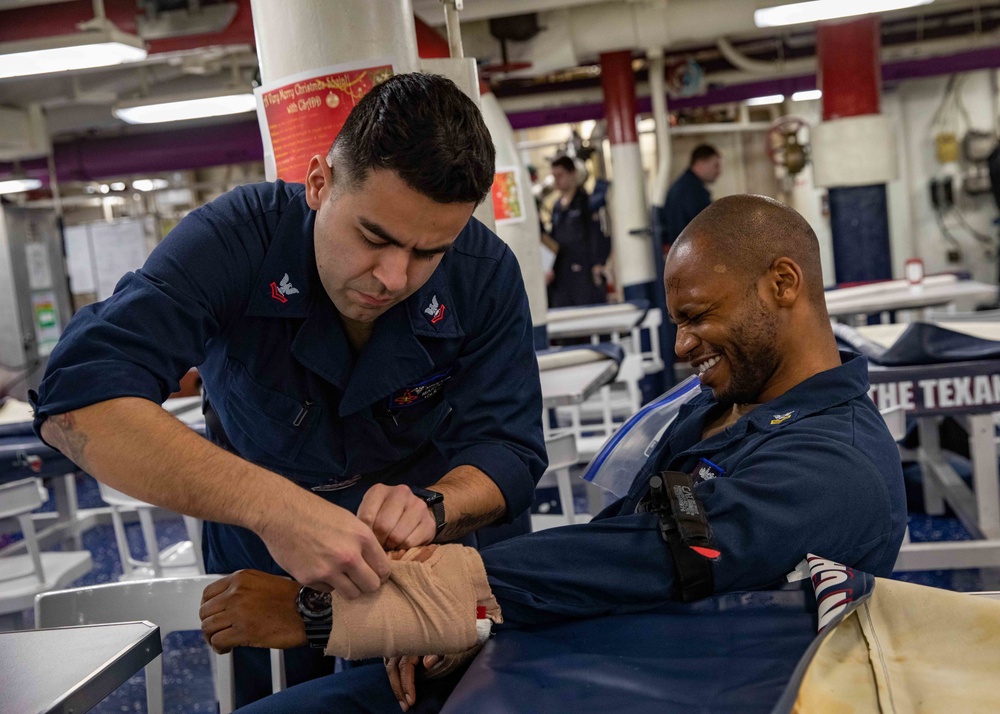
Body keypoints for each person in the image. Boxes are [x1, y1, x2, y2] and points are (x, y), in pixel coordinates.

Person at [199, 194, 908, 713]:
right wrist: (474, 619)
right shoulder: (722, 410)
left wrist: (339, 612)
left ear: (783, 284)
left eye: (697, 317)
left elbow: (660, 555)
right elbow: (621, 548)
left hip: (661, 685)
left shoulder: (835, 467)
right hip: (559, 655)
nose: (682, 345)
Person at [30, 73, 546, 705]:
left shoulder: (484, 275)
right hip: (262, 566)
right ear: (319, 182)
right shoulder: (234, 240)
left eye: (428, 252)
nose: (392, 276)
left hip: (410, 571)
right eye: (373, 237)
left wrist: (435, 506)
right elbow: (77, 400)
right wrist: (276, 509)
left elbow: (511, 449)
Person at [545, 155, 611, 307]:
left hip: (585, 272)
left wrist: (598, 263)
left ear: (573, 174)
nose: (557, 180)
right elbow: (553, 241)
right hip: (562, 274)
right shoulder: (556, 207)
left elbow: (598, 234)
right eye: (554, 176)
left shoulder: (587, 202)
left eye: (560, 175)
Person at [659, 144, 722, 248]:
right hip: (691, 252)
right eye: (716, 165)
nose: (719, 171)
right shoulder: (692, 190)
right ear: (700, 164)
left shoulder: (684, 185)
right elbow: (707, 225)